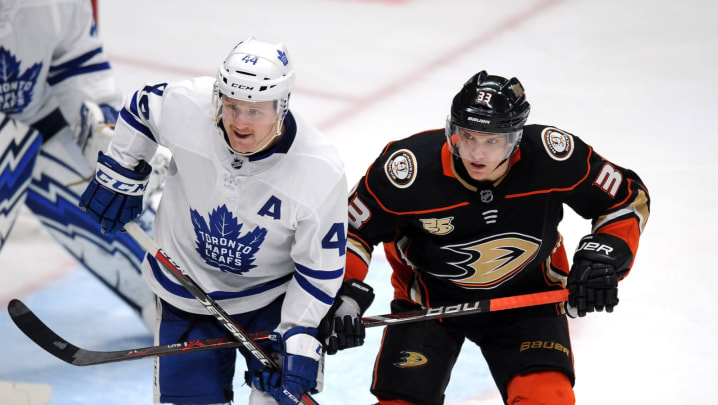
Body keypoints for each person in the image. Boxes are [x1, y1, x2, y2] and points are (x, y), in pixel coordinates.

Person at [325, 71, 650, 404]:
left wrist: (603, 256)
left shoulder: (553, 157)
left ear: (516, 139)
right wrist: (344, 294)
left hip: (528, 300)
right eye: (468, 137)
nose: (477, 154)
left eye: (492, 141)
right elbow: (352, 231)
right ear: (452, 131)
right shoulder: (408, 172)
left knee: (547, 399)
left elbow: (626, 200)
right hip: (430, 304)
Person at [78, 36, 349, 405]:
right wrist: (122, 169)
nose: (239, 121)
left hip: (272, 299)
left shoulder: (318, 172)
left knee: (273, 399)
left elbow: (320, 271)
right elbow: (143, 106)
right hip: (186, 289)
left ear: (282, 107)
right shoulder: (189, 106)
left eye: (255, 111)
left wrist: (296, 336)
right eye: (232, 105)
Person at [0, 0, 164, 328]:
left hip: (38, 117)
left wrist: (101, 130)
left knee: (122, 208)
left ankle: (173, 307)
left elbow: (76, 60)